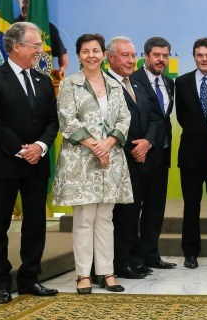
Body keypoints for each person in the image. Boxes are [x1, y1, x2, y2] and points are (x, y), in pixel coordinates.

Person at [0, 21, 59, 305]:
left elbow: (52, 121)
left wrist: (39, 147)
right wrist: (20, 149)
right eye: (35, 45)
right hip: (4, 164)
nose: (40, 50)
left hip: (36, 164)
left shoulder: (43, 80)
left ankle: (29, 279)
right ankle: (1, 282)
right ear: (16, 47)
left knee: (35, 224)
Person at [53, 33, 133, 294]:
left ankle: (107, 272)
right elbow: (67, 120)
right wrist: (95, 146)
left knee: (105, 218)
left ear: (103, 54)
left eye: (96, 50)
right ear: (78, 55)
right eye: (86, 51)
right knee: (84, 219)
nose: (91, 55)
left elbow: (124, 118)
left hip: (110, 161)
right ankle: (83, 274)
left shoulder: (114, 85)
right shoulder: (69, 84)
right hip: (82, 161)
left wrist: (108, 144)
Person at [106, 36, 160, 280]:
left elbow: (157, 118)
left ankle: (135, 260)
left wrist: (147, 142)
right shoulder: (103, 84)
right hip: (118, 159)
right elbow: (103, 124)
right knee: (121, 215)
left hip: (142, 159)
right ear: (110, 57)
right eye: (125, 55)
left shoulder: (137, 83)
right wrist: (132, 147)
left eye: (132, 55)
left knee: (133, 213)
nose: (130, 60)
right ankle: (120, 263)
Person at [175, 38, 207, 269]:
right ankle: (190, 252)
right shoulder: (182, 82)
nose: (204, 59)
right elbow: (181, 117)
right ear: (194, 56)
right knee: (191, 205)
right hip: (191, 155)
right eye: (199, 55)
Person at [129, 36, 177, 270]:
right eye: (156, 55)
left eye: (165, 55)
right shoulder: (132, 80)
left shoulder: (169, 83)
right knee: (134, 208)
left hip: (162, 153)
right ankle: (134, 258)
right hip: (139, 153)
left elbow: (163, 118)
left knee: (155, 208)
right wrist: (144, 143)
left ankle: (151, 255)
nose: (161, 59)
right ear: (145, 56)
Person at [0, 0, 68, 77]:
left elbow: (62, 53)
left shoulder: (48, 28)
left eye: (29, 2)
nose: (26, 4)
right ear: (19, 2)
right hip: (11, 78)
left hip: (38, 79)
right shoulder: (9, 27)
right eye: (23, 1)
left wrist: (63, 68)